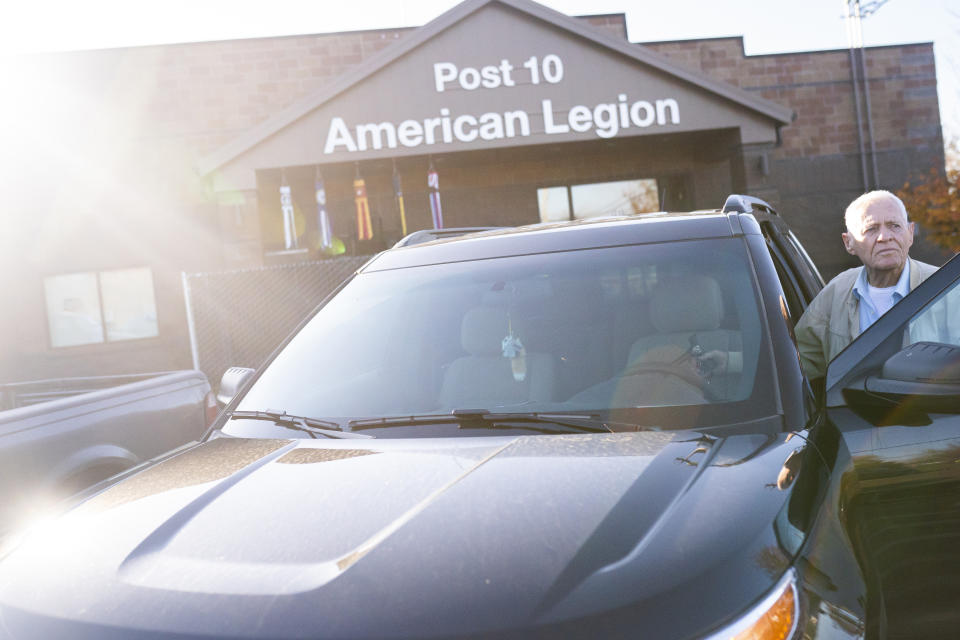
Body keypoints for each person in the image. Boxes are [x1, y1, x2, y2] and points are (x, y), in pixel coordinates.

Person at [793, 190, 937, 380]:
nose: (884, 237)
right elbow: (799, 365)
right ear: (849, 242)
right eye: (871, 229)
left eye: (894, 226)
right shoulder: (835, 292)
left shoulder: (944, 287)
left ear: (910, 233)